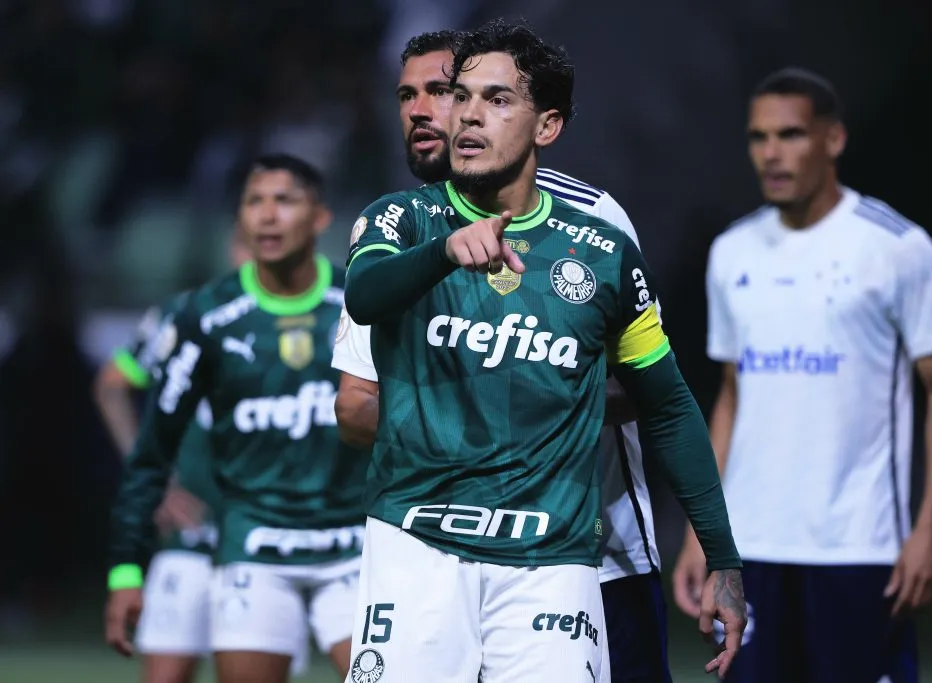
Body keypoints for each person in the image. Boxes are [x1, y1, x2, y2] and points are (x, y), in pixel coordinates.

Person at [342, 19, 746, 683]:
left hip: (552, 557)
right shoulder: (401, 220)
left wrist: (722, 556)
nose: (469, 115)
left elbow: (667, 404)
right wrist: (443, 253)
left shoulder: (602, 251)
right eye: (463, 95)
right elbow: (364, 293)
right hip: (416, 544)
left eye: (497, 100)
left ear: (547, 126)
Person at [671, 67, 932, 683]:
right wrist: (703, 532)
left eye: (791, 135)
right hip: (751, 547)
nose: (772, 154)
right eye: (759, 138)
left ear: (833, 140)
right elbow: (732, 398)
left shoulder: (896, 248)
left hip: (858, 548)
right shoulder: (733, 252)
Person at [104, 154, 368, 683]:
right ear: (241, 220)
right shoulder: (203, 318)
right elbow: (152, 452)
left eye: (284, 200)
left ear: (319, 218)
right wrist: (126, 570)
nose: (267, 215)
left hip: (354, 550)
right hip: (253, 551)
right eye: (254, 201)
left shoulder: (359, 301)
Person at [94, 229, 310, 683]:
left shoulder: (313, 313)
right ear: (233, 245)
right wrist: (160, 483)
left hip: (269, 533)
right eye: (248, 240)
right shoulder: (190, 313)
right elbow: (113, 384)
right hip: (193, 529)